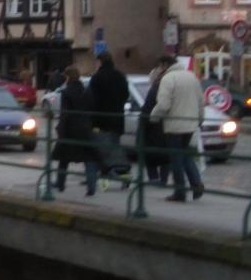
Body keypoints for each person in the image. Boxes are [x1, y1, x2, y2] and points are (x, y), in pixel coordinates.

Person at [150, 55, 205, 201]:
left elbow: (163, 105)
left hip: (174, 125)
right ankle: (197, 184)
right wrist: (200, 119)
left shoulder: (168, 79)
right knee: (185, 155)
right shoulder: (191, 77)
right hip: (190, 124)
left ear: (164, 65)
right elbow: (201, 101)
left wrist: (153, 117)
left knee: (176, 159)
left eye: (160, 66)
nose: (159, 69)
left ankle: (180, 192)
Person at [52, 66, 99, 195]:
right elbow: (92, 109)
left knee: (64, 158)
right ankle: (91, 187)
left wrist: (60, 129)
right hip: (85, 128)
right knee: (89, 157)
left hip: (70, 128)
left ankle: (60, 183)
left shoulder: (66, 92)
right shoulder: (86, 91)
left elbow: (65, 113)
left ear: (68, 77)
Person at [90, 52, 130, 183]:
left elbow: (92, 100)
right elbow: (126, 95)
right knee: (115, 149)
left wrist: (92, 120)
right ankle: (123, 173)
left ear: (100, 62)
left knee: (101, 150)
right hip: (117, 118)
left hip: (101, 120)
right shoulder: (120, 76)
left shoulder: (97, 77)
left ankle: (104, 175)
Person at [138, 60, 170, 184]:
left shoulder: (155, 89)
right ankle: (163, 179)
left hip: (154, 126)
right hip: (165, 126)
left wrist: (146, 121)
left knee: (151, 154)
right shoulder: (166, 87)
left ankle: (154, 179)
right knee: (164, 156)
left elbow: (148, 109)